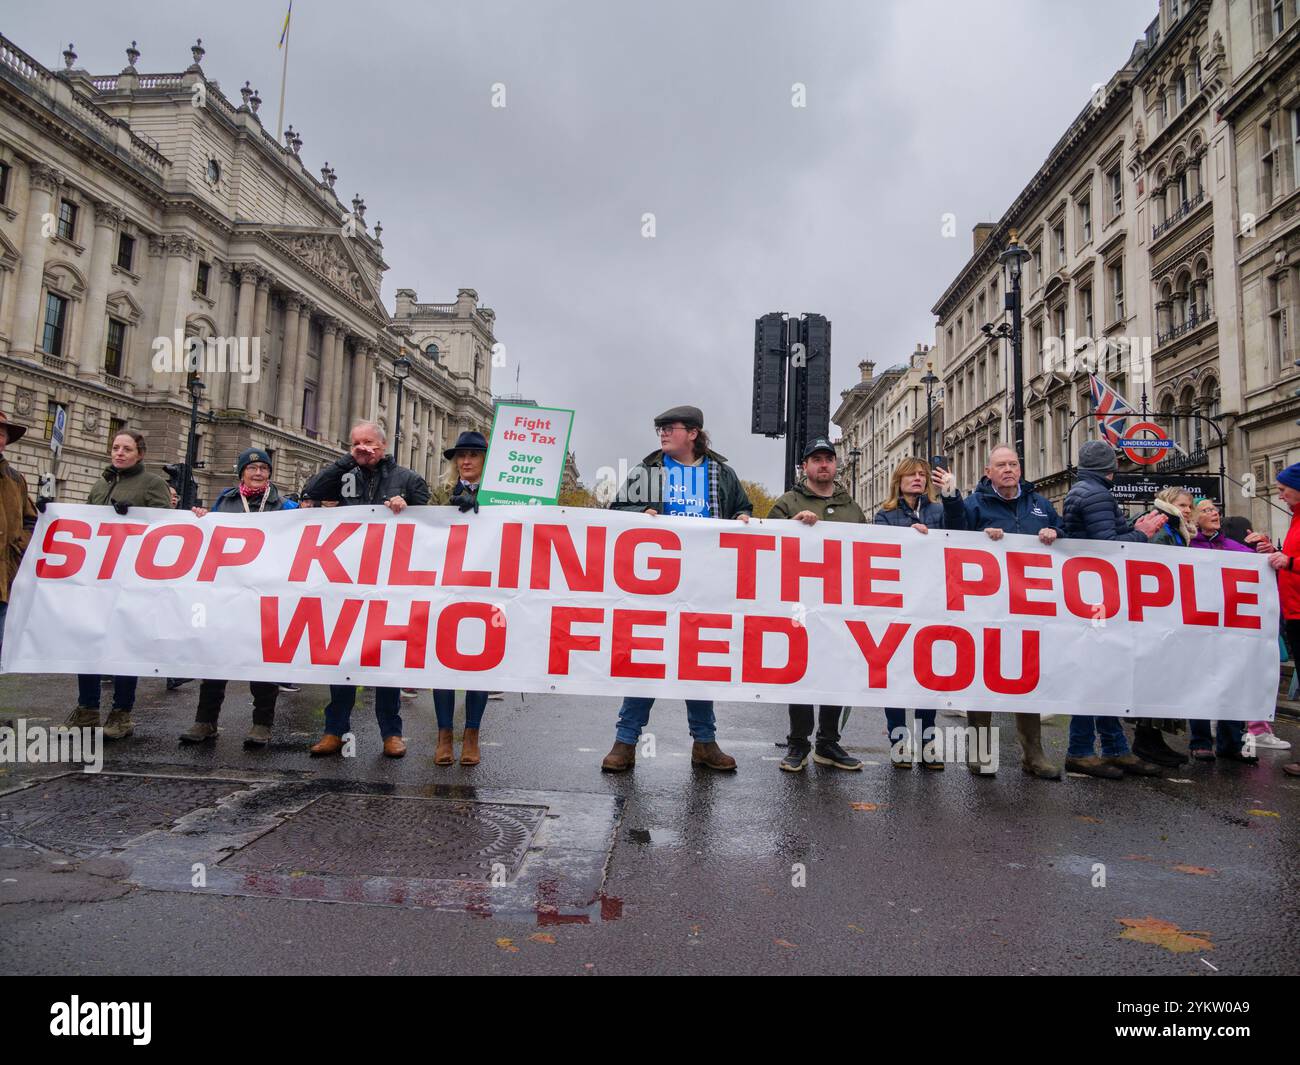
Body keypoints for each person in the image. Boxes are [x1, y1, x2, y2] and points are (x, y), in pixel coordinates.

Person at [600, 405, 753, 772]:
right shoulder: (648, 472)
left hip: (704, 584)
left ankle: (705, 742)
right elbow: (616, 510)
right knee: (647, 660)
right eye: (660, 429)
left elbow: (742, 509)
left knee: (697, 664)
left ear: (694, 433)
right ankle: (625, 742)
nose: (663, 434)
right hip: (656, 585)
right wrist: (640, 515)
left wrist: (742, 519)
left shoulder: (721, 474)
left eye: (670, 428)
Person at [302, 421, 430, 758]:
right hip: (347, 581)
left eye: (369, 442)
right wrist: (346, 462)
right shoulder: (344, 474)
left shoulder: (408, 478)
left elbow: (432, 526)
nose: (363, 448)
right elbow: (311, 491)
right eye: (356, 443)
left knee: (385, 659)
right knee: (343, 657)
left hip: (389, 583)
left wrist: (408, 506)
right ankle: (334, 731)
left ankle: (391, 734)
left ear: (383, 445)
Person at [938, 443, 1062, 779]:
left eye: (1013, 464)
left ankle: (1033, 754)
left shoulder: (1039, 504)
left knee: (1027, 678)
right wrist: (979, 536)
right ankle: (979, 753)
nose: (1008, 469)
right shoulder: (976, 503)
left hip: (1029, 607)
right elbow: (955, 533)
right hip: (986, 608)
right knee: (984, 676)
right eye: (1001, 465)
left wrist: (1056, 533)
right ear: (988, 472)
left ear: (1020, 469)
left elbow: (1066, 536)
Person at [1060, 440, 1167, 779]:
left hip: (1093, 596)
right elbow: (1108, 547)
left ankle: (1116, 747)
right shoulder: (1097, 494)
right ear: (1112, 467)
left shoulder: (1083, 491)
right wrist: (1144, 534)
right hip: (1097, 599)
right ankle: (1080, 750)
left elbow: (1103, 534)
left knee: (1104, 675)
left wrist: (1133, 526)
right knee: (1095, 675)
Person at [768, 437, 866, 773]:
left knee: (836, 672)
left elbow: (867, 553)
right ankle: (798, 744)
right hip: (800, 604)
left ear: (835, 465)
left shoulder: (852, 508)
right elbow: (767, 543)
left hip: (840, 603)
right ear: (805, 466)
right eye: (816, 459)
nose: (823, 465)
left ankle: (828, 742)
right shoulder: (788, 502)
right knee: (801, 672)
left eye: (828, 459)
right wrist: (792, 526)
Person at [179, 449, 288, 749]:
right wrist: (202, 518)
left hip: (266, 595)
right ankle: (205, 721)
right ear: (241, 473)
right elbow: (209, 537)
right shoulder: (225, 502)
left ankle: (261, 724)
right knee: (216, 659)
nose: (257, 473)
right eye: (251, 468)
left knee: (264, 662)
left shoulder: (284, 506)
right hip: (227, 594)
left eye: (263, 468)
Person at [68, 430, 172, 739]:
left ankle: (121, 713)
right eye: (115, 447)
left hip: (132, 580)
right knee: (88, 643)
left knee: (124, 646)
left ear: (140, 454)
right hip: (96, 578)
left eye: (126, 449)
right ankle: (86, 710)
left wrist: (135, 517)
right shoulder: (100, 484)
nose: (119, 453)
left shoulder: (152, 484)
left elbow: (166, 528)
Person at [875, 456, 947, 770]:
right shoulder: (886, 514)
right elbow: (879, 551)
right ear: (899, 480)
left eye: (921, 475)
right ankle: (899, 743)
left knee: (927, 678)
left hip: (931, 604)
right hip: (898, 606)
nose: (917, 479)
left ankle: (928, 744)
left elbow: (958, 537)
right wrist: (908, 537)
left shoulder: (939, 511)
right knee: (898, 679)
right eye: (911, 475)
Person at [431, 430, 493, 767]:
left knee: (478, 666)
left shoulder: (502, 497)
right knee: (443, 666)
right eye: (461, 456)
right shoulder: (441, 494)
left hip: (486, 590)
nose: (465, 461)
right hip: (448, 588)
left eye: (473, 455)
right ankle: (444, 736)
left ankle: (471, 735)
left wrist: (484, 507)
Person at [1184, 499, 1259, 764]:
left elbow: (1259, 567)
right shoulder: (1187, 547)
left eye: (1216, 510)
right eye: (1206, 510)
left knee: (1233, 680)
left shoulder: (1235, 547)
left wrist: (1265, 550)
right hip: (1198, 624)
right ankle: (1201, 741)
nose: (1214, 513)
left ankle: (1231, 742)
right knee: (1200, 681)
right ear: (1193, 518)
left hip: (1230, 625)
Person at [1129, 487, 1196, 767]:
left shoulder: (1176, 527)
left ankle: (1152, 738)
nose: (1188, 509)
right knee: (1154, 677)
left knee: (1164, 678)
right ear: (1169, 503)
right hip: (1156, 616)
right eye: (1183, 504)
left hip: (1166, 614)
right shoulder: (1162, 527)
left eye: (1190, 505)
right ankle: (1146, 740)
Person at [1262, 464, 1300, 777]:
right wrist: (1275, 552)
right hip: (1294, 612)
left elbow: (1294, 562)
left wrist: (1289, 561)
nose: (1279, 493)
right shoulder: (1295, 518)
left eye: (1283, 487)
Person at [0, 412, 37, 659]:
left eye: (1, 434)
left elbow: (31, 521)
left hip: (5, 576)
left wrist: (17, 546)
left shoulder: (15, 479)